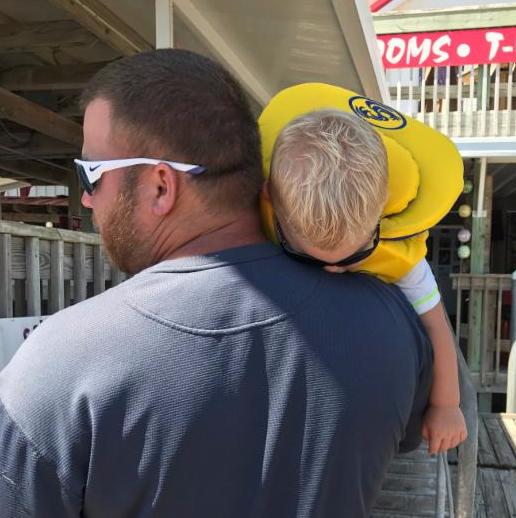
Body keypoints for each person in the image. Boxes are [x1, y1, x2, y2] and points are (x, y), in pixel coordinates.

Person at [0, 49, 432, 518]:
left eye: (91, 174)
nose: (86, 199)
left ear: (161, 186)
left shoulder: (58, 368)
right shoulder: (393, 324)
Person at [258, 84, 467, 455]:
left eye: (353, 256)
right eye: (309, 256)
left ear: (381, 213)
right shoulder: (266, 201)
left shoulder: (399, 249)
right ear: (269, 196)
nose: (330, 268)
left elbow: (437, 325)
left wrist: (447, 406)